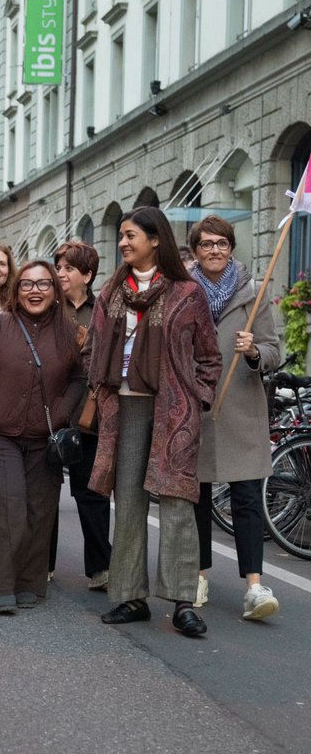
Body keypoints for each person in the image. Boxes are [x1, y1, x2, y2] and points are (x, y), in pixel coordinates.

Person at [86, 206, 221, 637]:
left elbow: (210, 356)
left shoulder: (186, 292)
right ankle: (131, 597)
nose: (123, 243)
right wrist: (99, 387)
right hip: (123, 411)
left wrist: (196, 395)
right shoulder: (110, 292)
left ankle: (184, 601)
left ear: (155, 239)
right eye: (121, 237)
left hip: (174, 411)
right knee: (127, 502)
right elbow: (91, 347)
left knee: (179, 502)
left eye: (130, 236)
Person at [0, 261, 85, 613]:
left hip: (44, 437)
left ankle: (29, 583)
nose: (35, 291)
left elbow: (79, 379)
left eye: (44, 284)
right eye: (27, 285)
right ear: (16, 291)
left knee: (39, 510)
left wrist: (64, 413)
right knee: (8, 504)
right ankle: (2, 588)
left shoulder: (71, 332)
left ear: (55, 291)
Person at [188, 216, 281, 621]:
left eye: (222, 243)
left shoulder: (253, 294)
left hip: (242, 408)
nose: (214, 250)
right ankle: (198, 575)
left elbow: (274, 351)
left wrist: (254, 351)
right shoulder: (181, 291)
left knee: (245, 500)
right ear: (195, 251)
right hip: (197, 406)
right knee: (197, 498)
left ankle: (254, 588)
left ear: (231, 248)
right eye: (206, 244)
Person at [51, 241, 110, 589]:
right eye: (58, 267)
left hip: (90, 415)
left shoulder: (103, 308)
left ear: (87, 275)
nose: (60, 274)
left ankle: (100, 568)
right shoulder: (46, 306)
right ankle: (42, 565)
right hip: (50, 411)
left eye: (68, 268)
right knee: (44, 493)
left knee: (92, 493)